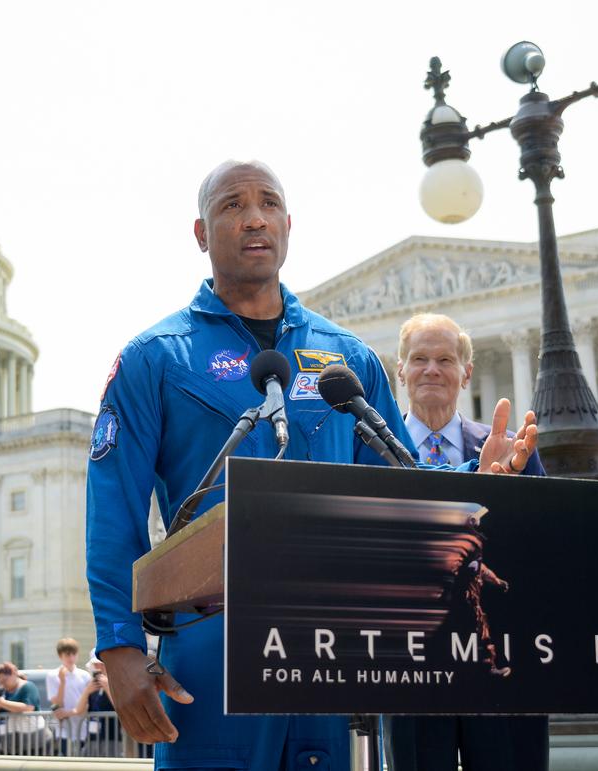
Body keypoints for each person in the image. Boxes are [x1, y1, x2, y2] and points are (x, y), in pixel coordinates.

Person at [87, 160, 537, 769]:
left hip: (331, 653)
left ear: (288, 225)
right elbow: (113, 509)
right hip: (212, 650)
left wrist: (473, 497)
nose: (254, 218)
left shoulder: (346, 360)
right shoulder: (156, 359)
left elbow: (392, 501)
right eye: (232, 205)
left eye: (268, 204)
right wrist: (119, 645)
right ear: (201, 233)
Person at [388, 313, 549, 771]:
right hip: (409, 662)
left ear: (466, 372)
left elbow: (539, 543)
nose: (431, 370)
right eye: (418, 359)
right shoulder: (373, 454)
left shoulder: (514, 449)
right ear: (400, 370)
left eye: (444, 359)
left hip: (501, 658)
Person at [0, 662, 43, 755]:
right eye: (0, 682)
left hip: (35, 741)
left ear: (14, 674)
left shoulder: (28, 686)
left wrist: (2, 703)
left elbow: (28, 707)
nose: (3, 684)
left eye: (5, 680)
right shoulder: (2, 691)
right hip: (12, 743)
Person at [46, 637, 92, 755]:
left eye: (73, 654)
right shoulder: (52, 675)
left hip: (82, 728)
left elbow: (87, 703)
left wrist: (70, 712)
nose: (71, 658)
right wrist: (62, 681)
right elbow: (57, 703)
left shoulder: (85, 675)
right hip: (63, 730)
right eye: (67, 654)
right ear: (60, 655)